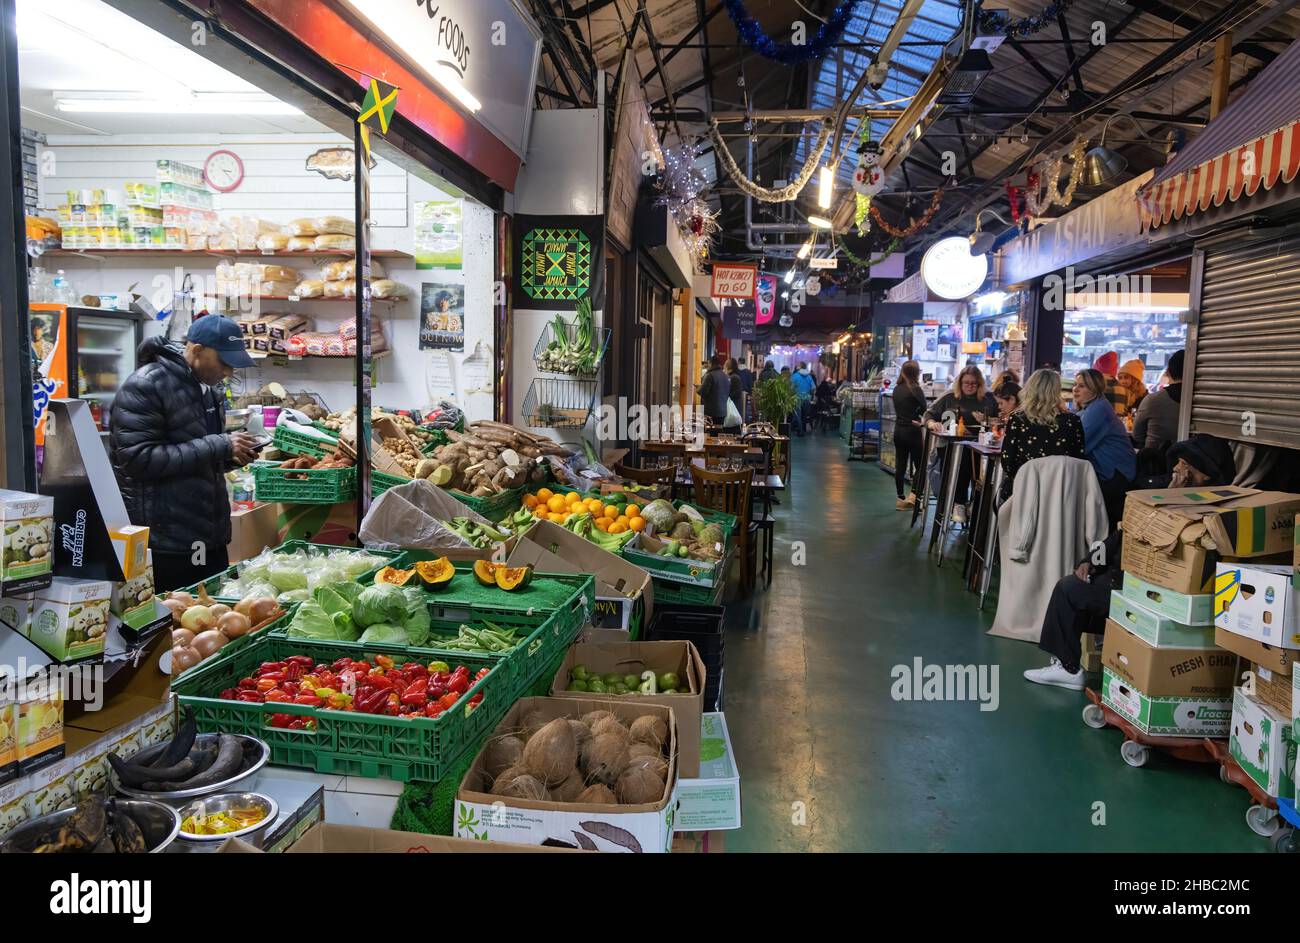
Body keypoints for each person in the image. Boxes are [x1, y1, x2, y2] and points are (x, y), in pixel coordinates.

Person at [1023, 435, 1236, 690]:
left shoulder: (1208, 512)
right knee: (1076, 586)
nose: (1178, 470)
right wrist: (1091, 560)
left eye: (1186, 465)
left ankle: (1068, 669)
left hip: (1148, 591)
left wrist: (1170, 499)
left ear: (1205, 475)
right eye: (1178, 463)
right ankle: (1068, 661)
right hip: (1125, 579)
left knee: (1069, 590)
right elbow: (1123, 533)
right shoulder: (1160, 492)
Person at [111, 315, 258, 593]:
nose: (228, 372)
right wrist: (220, 445)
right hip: (168, 541)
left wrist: (230, 456)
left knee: (211, 618)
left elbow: (193, 454)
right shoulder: (145, 385)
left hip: (208, 536)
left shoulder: (208, 390)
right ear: (197, 350)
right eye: (224, 362)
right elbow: (137, 459)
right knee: (178, 624)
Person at [997, 370, 1083, 504]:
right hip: (1061, 494)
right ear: (1056, 391)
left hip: (1024, 491)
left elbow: (1008, 462)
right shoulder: (1072, 421)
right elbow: (1078, 460)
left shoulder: (1018, 419)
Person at [924, 366, 998, 524]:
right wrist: (932, 423)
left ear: (980, 384)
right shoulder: (950, 397)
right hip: (951, 446)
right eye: (966, 383)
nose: (970, 386)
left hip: (982, 447)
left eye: (974, 383)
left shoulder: (988, 399)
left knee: (983, 474)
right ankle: (959, 503)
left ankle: (976, 504)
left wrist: (987, 421)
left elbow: (999, 421)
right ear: (959, 382)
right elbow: (929, 413)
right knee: (962, 462)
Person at [1073, 368, 1136, 528]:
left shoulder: (1098, 409)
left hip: (1115, 475)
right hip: (1110, 473)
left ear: (1094, 389)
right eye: (1075, 385)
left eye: (1082, 386)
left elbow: (1078, 444)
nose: (1075, 389)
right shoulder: (1091, 408)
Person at [892, 361, 927, 510]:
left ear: (903, 372)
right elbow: (925, 409)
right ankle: (914, 496)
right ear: (916, 373)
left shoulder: (896, 389)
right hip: (912, 430)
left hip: (898, 430)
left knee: (900, 464)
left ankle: (900, 498)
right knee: (920, 465)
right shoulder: (915, 389)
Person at [1132, 349, 1183, 452]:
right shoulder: (1200, 400)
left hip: (1154, 461)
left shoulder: (1153, 399)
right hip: (1190, 462)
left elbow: (1137, 435)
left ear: (1168, 372)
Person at [696, 352, 731, 429]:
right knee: (718, 431)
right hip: (723, 411)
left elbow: (702, 391)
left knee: (710, 433)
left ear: (711, 363)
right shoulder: (725, 376)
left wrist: (697, 388)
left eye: (708, 363)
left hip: (711, 411)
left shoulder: (710, 375)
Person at [791, 362, 816, 434]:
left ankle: (800, 430)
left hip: (797, 397)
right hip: (807, 398)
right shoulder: (809, 376)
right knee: (804, 414)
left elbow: (791, 387)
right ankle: (804, 428)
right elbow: (813, 387)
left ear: (800, 367)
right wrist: (810, 395)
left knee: (798, 415)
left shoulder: (795, 376)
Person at [723, 358, 744, 432]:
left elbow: (736, 393)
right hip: (734, 409)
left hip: (733, 410)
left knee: (732, 433)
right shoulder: (733, 377)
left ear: (729, 367)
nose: (724, 366)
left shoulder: (733, 377)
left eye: (725, 364)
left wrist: (726, 396)